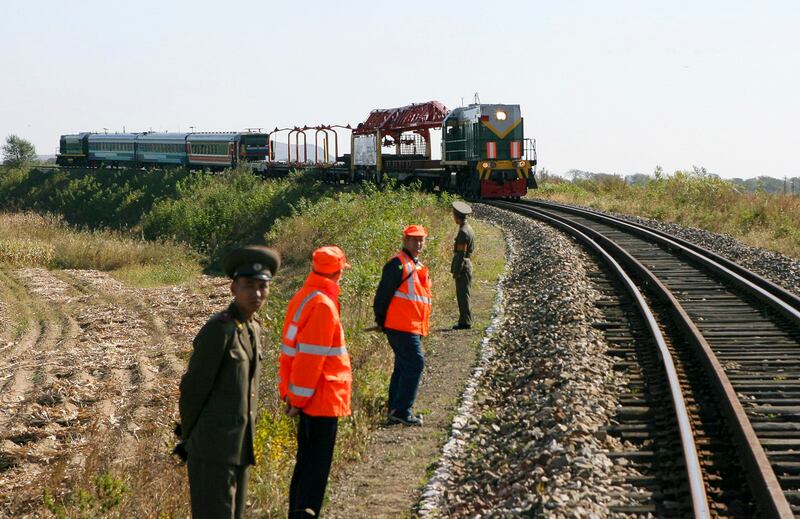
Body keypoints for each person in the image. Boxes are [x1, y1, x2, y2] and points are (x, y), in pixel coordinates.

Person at [177, 245, 280, 519]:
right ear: (233, 288)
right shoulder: (218, 330)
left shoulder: (253, 328)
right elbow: (192, 390)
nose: (256, 294)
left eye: (262, 286)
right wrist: (190, 439)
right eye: (248, 285)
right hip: (212, 451)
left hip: (239, 450)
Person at [279, 246, 352, 519]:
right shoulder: (323, 304)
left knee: (305, 467)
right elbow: (310, 359)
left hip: (309, 398)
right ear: (338, 272)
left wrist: (290, 393)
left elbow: (292, 353)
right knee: (314, 473)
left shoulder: (303, 296)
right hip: (320, 399)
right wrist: (297, 400)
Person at [373, 225, 432, 426]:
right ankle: (403, 411)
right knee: (416, 363)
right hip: (401, 327)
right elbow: (382, 296)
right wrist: (381, 321)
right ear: (405, 240)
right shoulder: (398, 264)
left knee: (403, 366)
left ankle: (395, 409)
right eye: (414, 239)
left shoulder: (417, 265)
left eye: (421, 239)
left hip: (411, 327)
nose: (418, 243)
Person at [451, 201, 475, 330]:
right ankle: (466, 319)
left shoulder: (463, 232)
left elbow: (460, 253)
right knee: (465, 293)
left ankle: (465, 322)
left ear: (457, 216)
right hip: (468, 263)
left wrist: (456, 270)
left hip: (463, 265)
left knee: (462, 294)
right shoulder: (469, 229)